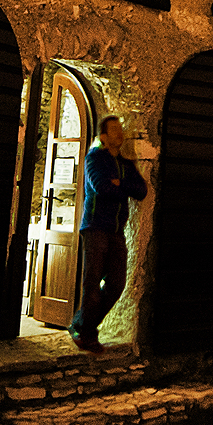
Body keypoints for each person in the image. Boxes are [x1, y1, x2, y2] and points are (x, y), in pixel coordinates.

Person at [69, 113, 148, 353]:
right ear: (103, 136)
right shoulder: (94, 158)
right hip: (95, 227)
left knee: (116, 284)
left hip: (116, 231)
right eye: (114, 129)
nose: (120, 133)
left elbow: (141, 190)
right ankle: (87, 334)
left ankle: (80, 324)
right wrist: (121, 187)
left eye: (120, 128)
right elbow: (102, 187)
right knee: (92, 283)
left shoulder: (125, 164)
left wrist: (119, 183)